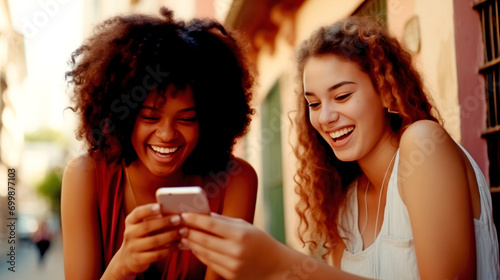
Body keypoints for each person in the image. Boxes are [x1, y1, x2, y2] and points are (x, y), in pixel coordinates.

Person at [177, 16, 500, 280]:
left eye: (342, 96)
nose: (326, 117)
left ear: (387, 93)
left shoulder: (424, 143)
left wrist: (281, 264)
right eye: (313, 103)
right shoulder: (346, 204)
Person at [61, 7, 257, 280]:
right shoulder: (85, 176)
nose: (166, 134)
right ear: (124, 114)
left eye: (187, 119)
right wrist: (123, 265)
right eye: (150, 117)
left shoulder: (236, 180)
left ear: (209, 122)